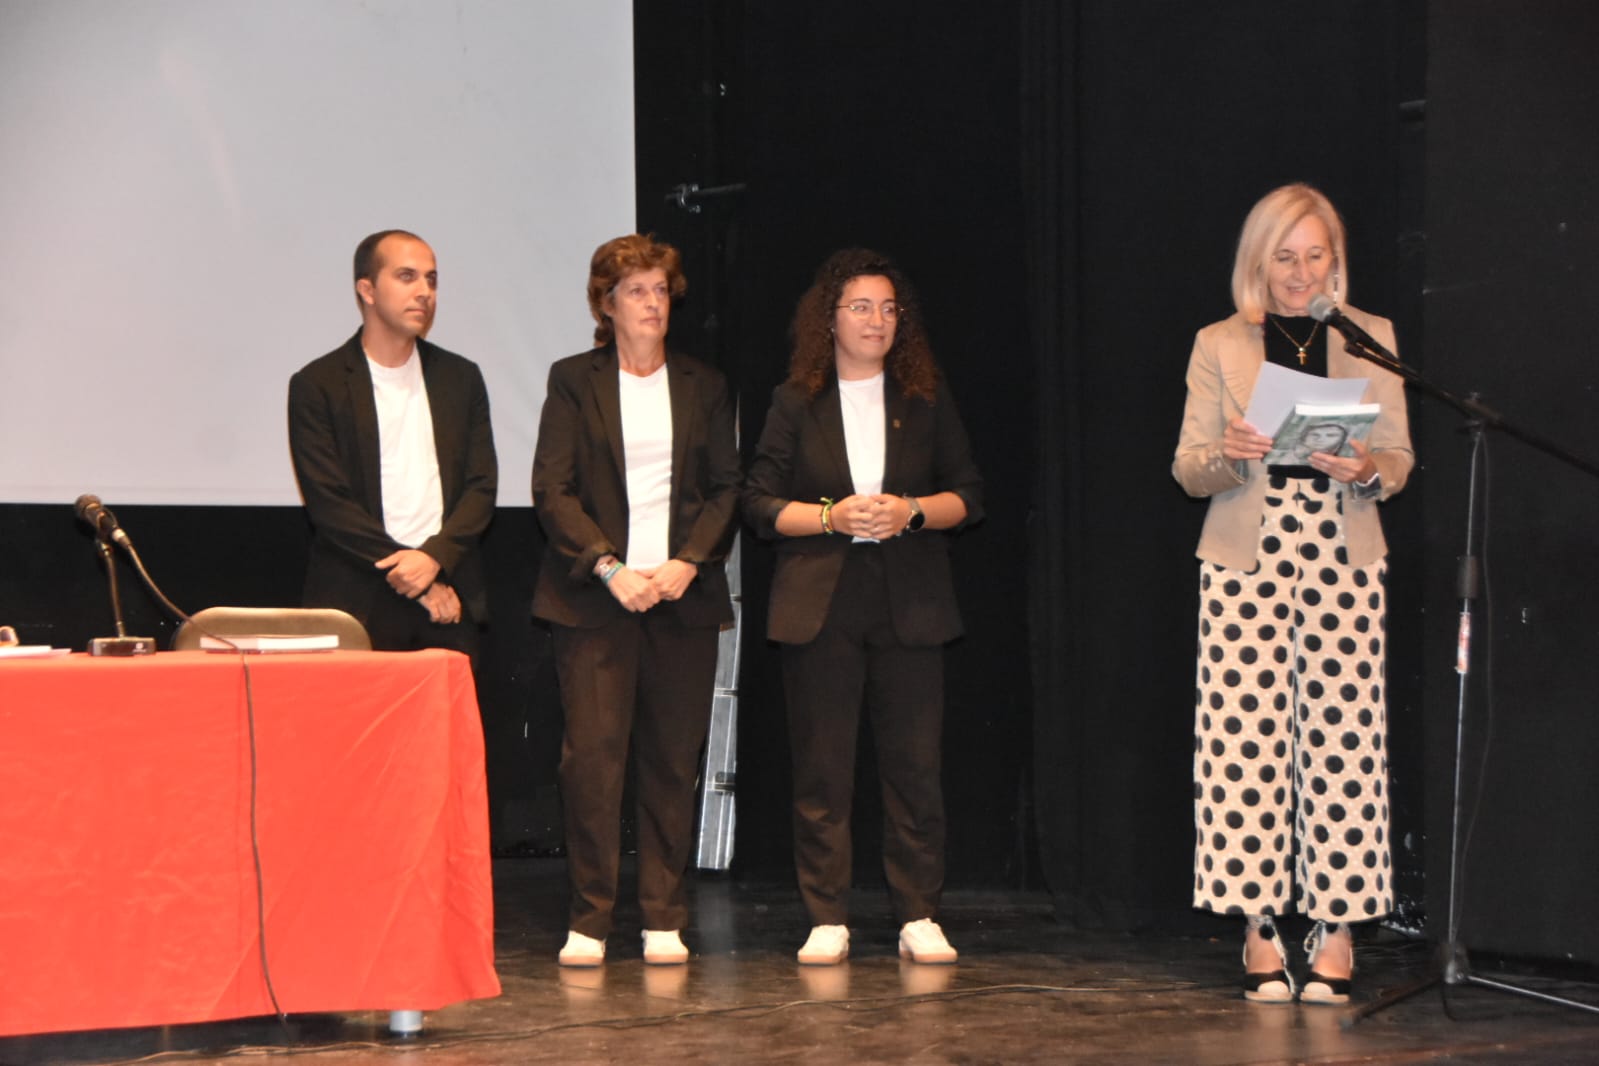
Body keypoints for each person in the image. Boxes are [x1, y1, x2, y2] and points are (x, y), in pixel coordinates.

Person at [1172, 184, 1414, 1004]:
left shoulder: (1371, 337)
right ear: (1259, 260)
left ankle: (1336, 927)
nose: (1301, 272)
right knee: (1242, 739)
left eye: (1315, 256)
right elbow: (1187, 466)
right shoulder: (1219, 342)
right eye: (1284, 257)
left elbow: (1398, 456)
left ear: (1334, 261)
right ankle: (1257, 927)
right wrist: (1231, 453)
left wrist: (1367, 468)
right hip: (1247, 550)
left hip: (1342, 548)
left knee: (1345, 739)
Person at [743, 248, 983, 967]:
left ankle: (919, 913)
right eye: (860, 307)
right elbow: (757, 503)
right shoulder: (795, 400)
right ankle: (826, 915)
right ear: (830, 319)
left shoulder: (923, 397)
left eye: (887, 308)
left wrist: (911, 511)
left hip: (911, 602)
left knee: (914, 768)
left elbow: (969, 496)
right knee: (822, 770)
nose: (876, 320)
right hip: (821, 605)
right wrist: (830, 516)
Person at [531, 234, 739, 968]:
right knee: (592, 762)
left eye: (660, 290)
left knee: (670, 761)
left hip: (681, 597)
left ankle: (662, 915)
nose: (653, 304)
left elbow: (726, 489)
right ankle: (590, 918)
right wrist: (607, 565)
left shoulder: (704, 384)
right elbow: (552, 489)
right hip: (595, 601)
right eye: (636, 291)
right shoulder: (572, 380)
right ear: (606, 304)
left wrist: (688, 562)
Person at [289, 230, 497, 656]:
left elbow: (481, 487)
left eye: (431, 279)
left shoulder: (460, 378)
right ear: (367, 290)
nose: (424, 291)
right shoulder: (318, 384)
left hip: (448, 597)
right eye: (407, 276)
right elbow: (330, 504)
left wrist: (433, 559)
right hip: (358, 599)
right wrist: (413, 574)